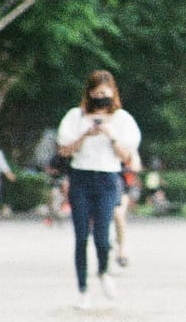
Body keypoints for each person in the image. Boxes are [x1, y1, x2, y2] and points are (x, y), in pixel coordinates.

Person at [57, 70, 140, 308]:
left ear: (113, 92)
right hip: (81, 177)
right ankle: (83, 290)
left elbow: (126, 156)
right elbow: (64, 150)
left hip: (107, 178)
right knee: (81, 235)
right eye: (96, 93)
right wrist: (86, 134)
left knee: (102, 234)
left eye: (105, 93)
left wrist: (110, 135)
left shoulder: (122, 119)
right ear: (89, 93)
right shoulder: (76, 117)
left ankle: (103, 270)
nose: (101, 98)